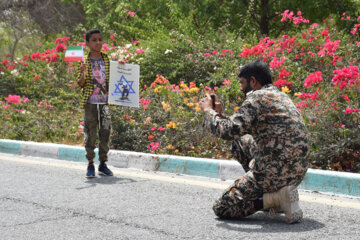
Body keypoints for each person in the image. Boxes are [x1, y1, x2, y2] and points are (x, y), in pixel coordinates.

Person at [199, 60, 309, 223]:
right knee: (240, 142)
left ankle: (273, 199)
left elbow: (228, 131)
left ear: (253, 81)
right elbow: (238, 132)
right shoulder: (281, 96)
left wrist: (208, 111)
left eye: (243, 83)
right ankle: (275, 193)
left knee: (222, 207)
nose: (241, 88)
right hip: (297, 173)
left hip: (275, 172)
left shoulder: (256, 97)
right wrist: (220, 116)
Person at [77, 29, 113, 178]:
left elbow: (117, 75)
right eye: (94, 40)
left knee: (105, 132)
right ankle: (90, 164)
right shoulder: (83, 62)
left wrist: (122, 66)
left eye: (100, 39)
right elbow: (80, 84)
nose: (98, 42)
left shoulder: (107, 59)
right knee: (90, 133)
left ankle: (103, 164)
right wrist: (84, 73)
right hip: (90, 103)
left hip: (105, 103)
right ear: (87, 43)